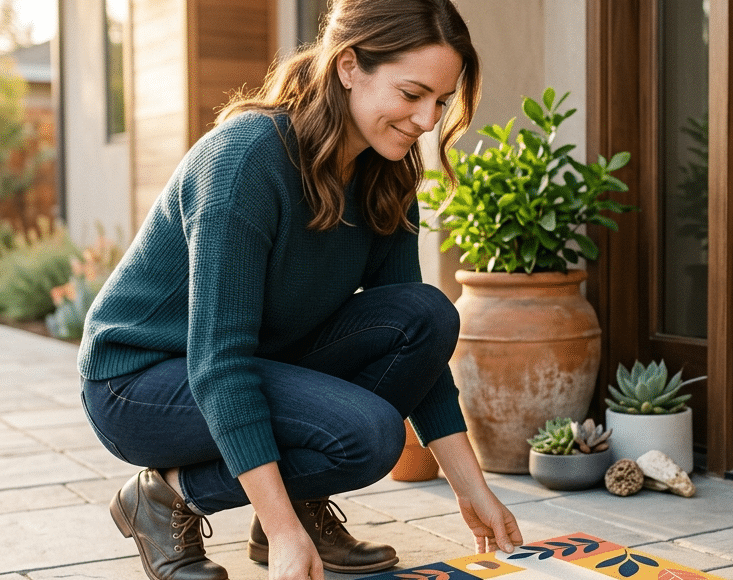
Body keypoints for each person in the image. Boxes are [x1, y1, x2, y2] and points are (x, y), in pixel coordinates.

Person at [77, 1, 523, 579]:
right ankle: (165, 499)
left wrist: (473, 490)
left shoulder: (387, 172)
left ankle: (282, 510)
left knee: (427, 314)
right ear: (348, 67)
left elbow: (420, 351)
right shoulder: (245, 159)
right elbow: (219, 362)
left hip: (251, 362)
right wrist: (287, 533)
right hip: (140, 381)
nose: (428, 120)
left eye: (441, 101)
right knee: (367, 437)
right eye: (412, 94)